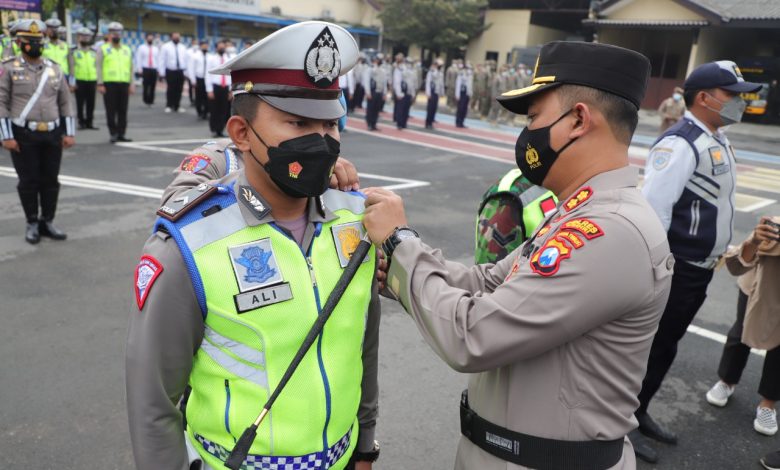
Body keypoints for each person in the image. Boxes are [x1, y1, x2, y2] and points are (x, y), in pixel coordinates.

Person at [363, 40, 672, 470]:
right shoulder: (579, 210)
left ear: (578, 120)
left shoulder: (610, 231)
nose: (527, 133)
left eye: (533, 118)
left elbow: (472, 336)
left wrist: (401, 243)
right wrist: (395, 271)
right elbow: (489, 281)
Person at [126, 21, 381, 470]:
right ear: (242, 133)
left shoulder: (357, 224)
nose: (321, 140)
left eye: (330, 123)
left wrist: (365, 445)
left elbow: (363, 347)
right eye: (298, 122)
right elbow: (153, 404)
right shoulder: (189, 246)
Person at [633, 61, 763, 463]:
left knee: (665, 347)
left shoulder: (715, 138)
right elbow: (654, 212)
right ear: (704, 98)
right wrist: (657, 272)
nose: (740, 101)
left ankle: (638, 412)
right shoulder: (681, 143)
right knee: (649, 349)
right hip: (677, 267)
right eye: (732, 94)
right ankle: (621, 424)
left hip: (700, 267)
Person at [0, 19, 75, 244]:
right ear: (19, 43)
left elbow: (65, 102)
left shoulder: (55, 68)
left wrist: (69, 132)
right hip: (24, 135)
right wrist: (6, 136)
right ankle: (32, 222)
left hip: (52, 134)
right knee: (29, 180)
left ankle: (47, 221)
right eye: (30, 41)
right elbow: (1, 102)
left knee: (51, 180)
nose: (35, 45)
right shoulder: (9, 68)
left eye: (38, 41)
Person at [705, 216, 780, 436]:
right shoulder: (773, 226)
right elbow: (738, 265)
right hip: (756, 289)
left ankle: (768, 403)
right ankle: (727, 381)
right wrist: (756, 239)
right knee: (740, 334)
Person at [96, 21, 134, 143]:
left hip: (124, 83)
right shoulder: (103, 49)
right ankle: (113, 133)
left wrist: (132, 84)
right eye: (113, 33)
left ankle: (122, 133)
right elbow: (98, 67)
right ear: (109, 34)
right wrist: (100, 83)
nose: (116, 35)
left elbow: (131, 67)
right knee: (111, 110)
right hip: (109, 83)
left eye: (118, 33)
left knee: (123, 110)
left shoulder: (127, 49)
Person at [69, 27, 98, 130]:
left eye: (87, 36)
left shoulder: (94, 51)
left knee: (91, 102)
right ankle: (81, 122)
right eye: (82, 36)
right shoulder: (73, 51)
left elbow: (97, 66)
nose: (85, 38)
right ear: (78, 37)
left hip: (92, 79)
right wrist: (72, 82)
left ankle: (90, 122)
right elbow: (71, 67)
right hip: (79, 80)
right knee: (80, 102)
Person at [205, 39, 230, 137]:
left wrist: (230, 90)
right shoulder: (211, 59)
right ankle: (214, 129)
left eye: (223, 47)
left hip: (225, 87)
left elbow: (230, 75)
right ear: (216, 48)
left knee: (224, 109)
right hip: (215, 87)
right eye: (220, 47)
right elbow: (207, 74)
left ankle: (220, 129)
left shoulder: (228, 59)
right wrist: (209, 90)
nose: (222, 49)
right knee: (214, 109)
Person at [159, 32, 188, 113]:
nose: (177, 38)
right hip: (170, 70)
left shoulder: (183, 47)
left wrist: (186, 72)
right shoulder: (166, 46)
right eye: (175, 37)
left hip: (180, 71)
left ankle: (177, 105)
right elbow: (162, 59)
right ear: (171, 37)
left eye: (178, 37)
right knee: (171, 88)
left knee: (179, 89)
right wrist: (161, 72)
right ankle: (169, 105)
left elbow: (185, 60)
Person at [134, 33, 159, 106]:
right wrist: (139, 69)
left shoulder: (156, 49)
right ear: (146, 39)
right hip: (145, 68)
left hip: (154, 68)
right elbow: (139, 59)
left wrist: (158, 70)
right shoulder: (141, 48)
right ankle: (145, 99)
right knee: (146, 85)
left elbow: (158, 59)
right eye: (149, 38)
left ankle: (151, 100)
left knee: (153, 85)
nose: (150, 39)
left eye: (151, 38)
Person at [363, 54, 386, 131]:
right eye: (377, 59)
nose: (378, 61)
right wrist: (368, 93)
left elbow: (384, 83)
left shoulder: (383, 70)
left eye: (380, 60)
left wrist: (384, 93)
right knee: (370, 109)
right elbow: (366, 81)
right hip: (372, 91)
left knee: (376, 109)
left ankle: (374, 124)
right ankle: (369, 124)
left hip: (379, 92)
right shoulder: (370, 69)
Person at [188, 39, 209, 120]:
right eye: (203, 45)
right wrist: (193, 80)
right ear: (200, 46)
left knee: (206, 97)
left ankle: (205, 112)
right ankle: (199, 111)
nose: (205, 47)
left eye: (206, 45)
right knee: (199, 96)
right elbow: (191, 68)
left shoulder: (210, 56)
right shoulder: (195, 56)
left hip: (207, 79)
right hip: (199, 79)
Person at [424, 58, 443, 129]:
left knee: (434, 108)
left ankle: (431, 122)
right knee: (430, 108)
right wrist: (428, 93)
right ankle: (428, 123)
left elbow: (441, 83)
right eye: (439, 65)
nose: (440, 67)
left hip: (436, 92)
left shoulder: (440, 73)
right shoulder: (431, 72)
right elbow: (428, 82)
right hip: (432, 91)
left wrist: (442, 92)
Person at [454, 63, 473, 128]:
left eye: (468, 68)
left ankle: (462, 122)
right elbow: (458, 84)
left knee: (464, 109)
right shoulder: (461, 74)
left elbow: (470, 85)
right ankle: (458, 122)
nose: (468, 70)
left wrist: (470, 93)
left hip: (467, 93)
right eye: (467, 68)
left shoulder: (470, 74)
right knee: (460, 108)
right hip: (461, 93)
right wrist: (457, 95)